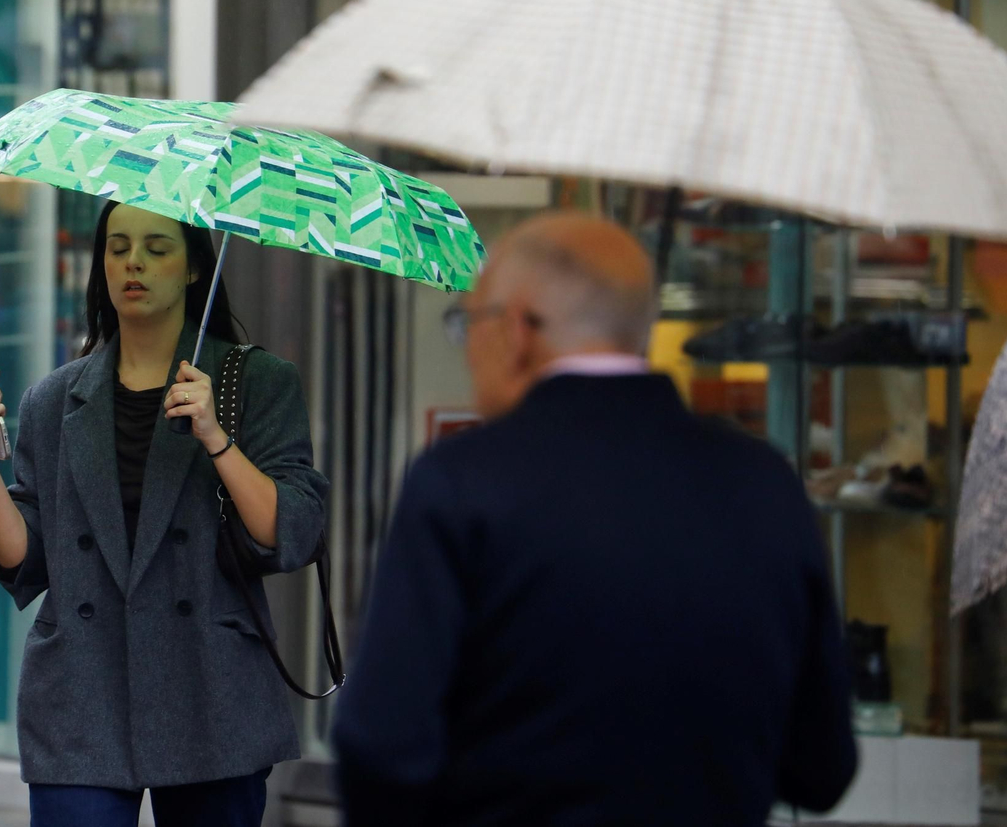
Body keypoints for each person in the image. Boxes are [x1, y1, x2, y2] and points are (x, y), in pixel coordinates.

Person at [331, 213, 858, 826]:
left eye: (469, 322)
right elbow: (821, 769)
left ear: (518, 329)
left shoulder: (463, 482)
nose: (470, 345)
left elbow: (381, 746)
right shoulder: (766, 483)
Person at [0, 201, 328, 827]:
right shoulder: (54, 398)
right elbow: (24, 558)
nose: (133, 262)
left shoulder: (256, 382)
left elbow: (290, 532)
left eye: (157, 248)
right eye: (118, 246)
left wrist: (216, 436)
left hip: (209, 685)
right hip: (81, 688)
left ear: (191, 269)